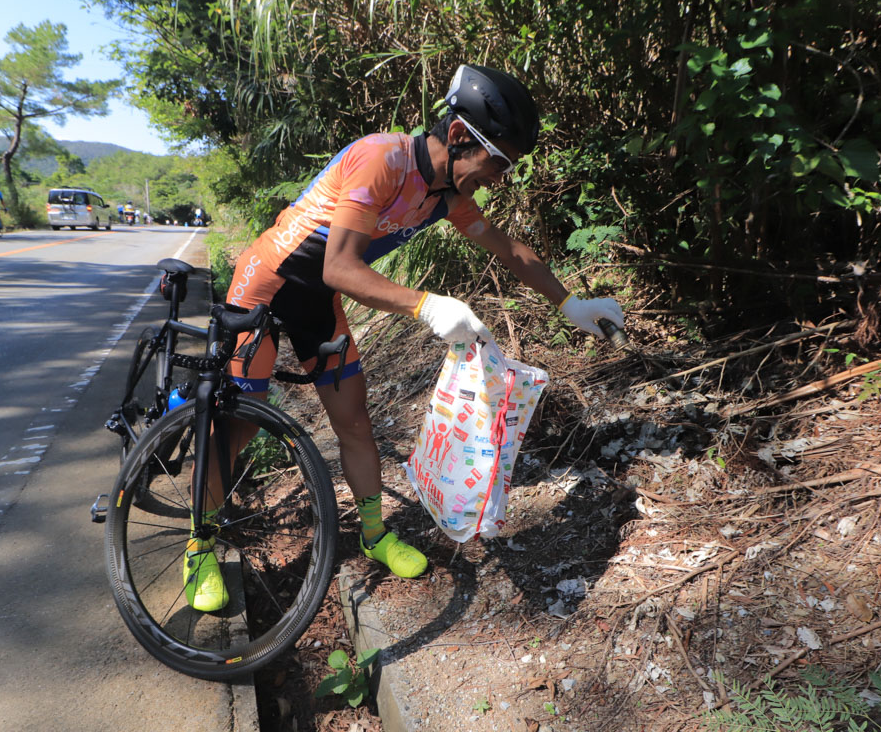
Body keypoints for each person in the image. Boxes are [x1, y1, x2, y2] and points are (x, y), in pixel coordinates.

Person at [182, 65, 625, 613]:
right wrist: (425, 304)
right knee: (241, 422)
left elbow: (508, 250)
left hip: (317, 301)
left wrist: (569, 303)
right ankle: (199, 547)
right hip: (267, 286)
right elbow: (341, 268)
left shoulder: (446, 195)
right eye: (501, 162)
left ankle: (374, 535)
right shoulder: (382, 159)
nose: (503, 177)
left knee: (354, 419)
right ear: (462, 137)